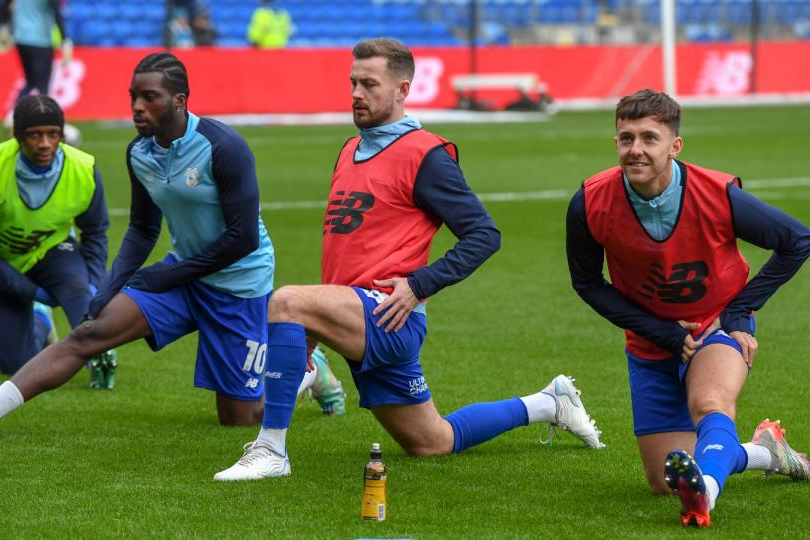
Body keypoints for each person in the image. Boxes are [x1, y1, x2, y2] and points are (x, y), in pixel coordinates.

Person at [214, 38, 603, 482]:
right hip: (360, 314)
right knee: (431, 441)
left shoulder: (427, 155)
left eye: (370, 84)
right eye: (353, 83)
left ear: (402, 90)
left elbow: (484, 235)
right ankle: (549, 403)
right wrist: (314, 328)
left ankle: (271, 450)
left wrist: (420, 284)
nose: (357, 93)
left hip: (387, 313)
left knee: (285, 301)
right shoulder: (349, 149)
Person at [0, 52, 344, 440]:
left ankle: (308, 373)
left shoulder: (225, 147)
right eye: (133, 97)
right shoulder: (139, 152)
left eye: (150, 97)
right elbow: (143, 228)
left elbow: (243, 239)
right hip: (182, 274)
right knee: (88, 334)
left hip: (239, 283)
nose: (137, 107)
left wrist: (169, 273)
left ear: (179, 100)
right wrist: (106, 288)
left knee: (239, 416)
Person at [565, 89, 810, 527]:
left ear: (675, 146)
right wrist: (661, 332)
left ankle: (708, 498)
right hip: (650, 341)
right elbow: (587, 282)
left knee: (710, 401)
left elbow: (798, 241)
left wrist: (739, 313)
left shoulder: (719, 194)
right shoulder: (590, 201)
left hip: (714, 326)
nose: (636, 150)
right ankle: (764, 451)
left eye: (649, 138)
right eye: (626, 139)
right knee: (664, 480)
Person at [0, 94, 113, 385]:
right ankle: (41, 319)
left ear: (62, 135)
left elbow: (95, 233)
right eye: (34, 135)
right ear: (18, 136)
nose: (44, 144)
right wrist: (31, 292)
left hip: (55, 252)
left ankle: (100, 354)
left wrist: (95, 282)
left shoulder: (84, 169)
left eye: (53, 134)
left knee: (80, 291)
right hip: (3, 263)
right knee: (16, 366)